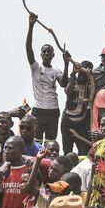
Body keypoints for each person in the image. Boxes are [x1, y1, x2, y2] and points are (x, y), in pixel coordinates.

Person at [26, 12, 70, 141]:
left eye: (48, 52)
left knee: (51, 142)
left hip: (53, 110)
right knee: (37, 141)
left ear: (53, 55)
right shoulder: (36, 68)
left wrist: (67, 64)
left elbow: (64, 84)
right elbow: (28, 48)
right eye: (44, 52)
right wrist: (31, 26)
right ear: (40, 54)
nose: (46, 54)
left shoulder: (56, 70)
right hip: (39, 110)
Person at [61, 60, 95, 156]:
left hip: (81, 123)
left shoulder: (91, 84)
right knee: (67, 151)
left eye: (85, 73)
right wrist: (73, 73)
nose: (82, 75)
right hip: (68, 121)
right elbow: (68, 91)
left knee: (85, 151)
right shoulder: (73, 79)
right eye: (81, 72)